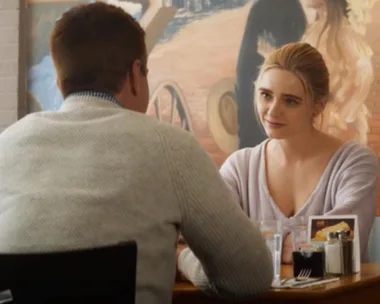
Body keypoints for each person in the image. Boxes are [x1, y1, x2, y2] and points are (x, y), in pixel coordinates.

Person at [0, 2, 273, 303]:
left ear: (59, 80)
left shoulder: (8, 143)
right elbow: (251, 276)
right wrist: (182, 260)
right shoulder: (169, 146)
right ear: (134, 74)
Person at [220, 42, 378, 264]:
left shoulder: (355, 162)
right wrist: (307, 242)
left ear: (318, 105)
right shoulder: (238, 167)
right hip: (258, 299)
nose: (273, 111)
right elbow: (214, 236)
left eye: (290, 101)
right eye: (266, 95)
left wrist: (254, 241)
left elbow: (344, 245)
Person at [300, 0, 375, 144]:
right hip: (313, 121)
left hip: (334, 127)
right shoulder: (315, 30)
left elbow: (362, 74)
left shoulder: (343, 35)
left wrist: (338, 111)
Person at [235, 0, 307, 149]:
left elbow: (244, 64)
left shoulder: (262, 8)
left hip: (259, 89)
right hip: (270, 90)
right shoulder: (294, 9)